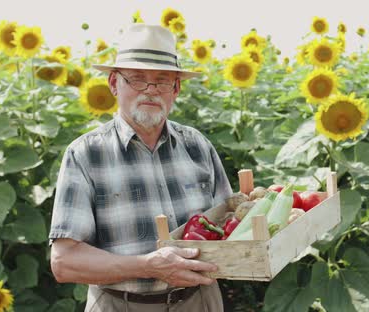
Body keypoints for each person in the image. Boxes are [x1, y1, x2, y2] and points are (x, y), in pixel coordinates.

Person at [49, 24, 232, 312]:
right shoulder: (85, 154)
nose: (150, 91)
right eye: (136, 79)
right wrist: (148, 266)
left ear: (176, 88)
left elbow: (230, 225)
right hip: (120, 305)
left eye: (161, 81)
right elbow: (64, 262)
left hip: (200, 301)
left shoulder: (198, 145)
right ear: (113, 83)